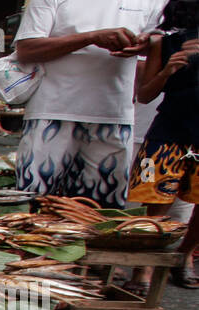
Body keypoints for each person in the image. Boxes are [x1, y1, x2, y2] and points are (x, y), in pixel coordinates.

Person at [12, 0, 164, 206]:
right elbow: (26, 49)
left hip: (114, 115)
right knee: (34, 202)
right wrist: (92, 37)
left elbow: (158, 41)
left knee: (102, 209)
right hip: (51, 113)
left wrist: (147, 42)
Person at [126, 0, 199, 287]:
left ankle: (184, 257)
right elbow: (144, 95)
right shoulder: (163, 41)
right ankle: (142, 268)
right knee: (156, 202)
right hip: (169, 130)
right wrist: (168, 70)